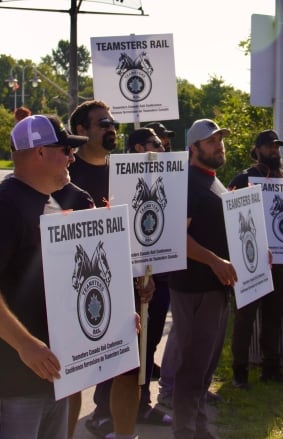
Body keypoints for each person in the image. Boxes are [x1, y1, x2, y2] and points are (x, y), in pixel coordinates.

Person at [0, 114, 91, 439]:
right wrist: (26, 345)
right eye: (65, 149)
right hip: (14, 378)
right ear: (39, 153)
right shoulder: (2, 207)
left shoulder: (50, 202)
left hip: (52, 371)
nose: (72, 157)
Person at [68, 100, 148, 439]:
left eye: (113, 122)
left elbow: (143, 230)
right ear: (82, 131)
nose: (111, 127)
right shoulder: (67, 175)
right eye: (103, 123)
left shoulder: (125, 172)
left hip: (125, 286)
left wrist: (147, 273)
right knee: (73, 375)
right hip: (77, 288)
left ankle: (124, 434)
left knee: (128, 369)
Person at [169, 118, 236, 439]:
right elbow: (176, 238)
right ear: (193, 148)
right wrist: (214, 261)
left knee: (206, 363)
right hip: (193, 287)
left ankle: (198, 426)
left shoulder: (213, 180)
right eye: (211, 141)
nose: (219, 144)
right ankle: (185, 430)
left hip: (216, 286)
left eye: (220, 139)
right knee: (193, 364)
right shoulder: (188, 182)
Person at [227, 129, 283, 389]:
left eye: (277, 146)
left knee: (274, 317)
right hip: (250, 261)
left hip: (279, 262)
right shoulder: (244, 179)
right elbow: (230, 218)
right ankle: (239, 373)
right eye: (269, 147)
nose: (274, 151)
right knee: (245, 318)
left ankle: (272, 369)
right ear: (256, 150)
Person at [125, 128, 174, 427]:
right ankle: (115, 409)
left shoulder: (167, 176)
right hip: (136, 281)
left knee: (150, 343)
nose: (165, 146)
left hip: (162, 274)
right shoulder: (122, 179)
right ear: (140, 147)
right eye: (158, 143)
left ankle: (142, 403)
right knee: (131, 349)